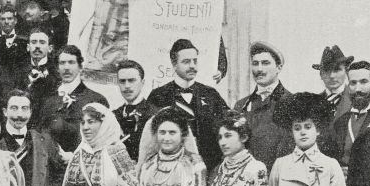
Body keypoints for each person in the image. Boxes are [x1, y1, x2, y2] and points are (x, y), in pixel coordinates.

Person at [146, 39, 229, 173]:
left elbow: (226, 127)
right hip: (171, 172)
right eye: (186, 62)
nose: (192, 66)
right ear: (174, 64)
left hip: (209, 169)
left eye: (195, 61)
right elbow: (151, 138)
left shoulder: (211, 94)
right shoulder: (158, 96)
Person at [234, 41, 292, 172]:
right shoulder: (241, 106)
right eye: (255, 63)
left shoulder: (292, 103)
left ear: (279, 67)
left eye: (265, 63)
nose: (259, 69)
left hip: (278, 180)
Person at [11, 26, 59, 122]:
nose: (37, 46)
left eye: (42, 42)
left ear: (50, 48)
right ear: (28, 47)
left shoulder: (57, 73)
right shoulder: (17, 69)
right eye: (33, 42)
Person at [114, 59, 151, 161]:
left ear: (142, 83)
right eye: (122, 81)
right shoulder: (112, 115)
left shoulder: (154, 114)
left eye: (131, 80)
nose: (127, 86)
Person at [0, 7, 27, 74]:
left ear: (15, 21)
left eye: (9, 19)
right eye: (3, 19)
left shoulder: (24, 40)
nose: (6, 22)